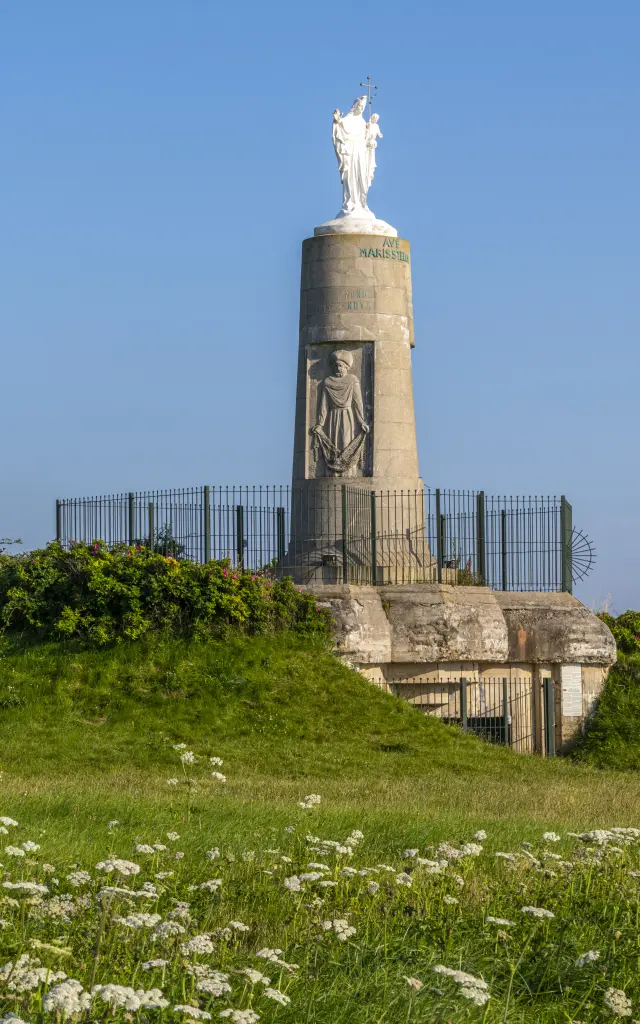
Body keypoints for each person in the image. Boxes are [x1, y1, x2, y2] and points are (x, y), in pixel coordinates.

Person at [311, 351, 369, 475]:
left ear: (346, 367)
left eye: (341, 366)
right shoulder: (328, 382)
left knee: (346, 443)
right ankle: (333, 473)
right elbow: (324, 405)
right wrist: (320, 424)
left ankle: (348, 472)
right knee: (333, 445)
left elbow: (357, 403)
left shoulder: (352, 380)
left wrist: (361, 421)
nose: (338, 368)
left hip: (347, 417)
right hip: (333, 417)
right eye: (336, 366)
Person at [365, 114, 383, 189]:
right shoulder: (369, 123)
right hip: (367, 142)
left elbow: (378, 133)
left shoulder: (376, 126)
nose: (375, 120)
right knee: (367, 157)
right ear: (372, 118)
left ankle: (370, 172)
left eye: (377, 119)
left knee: (371, 158)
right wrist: (367, 126)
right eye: (375, 118)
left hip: (372, 143)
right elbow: (365, 130)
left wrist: (380, 135)